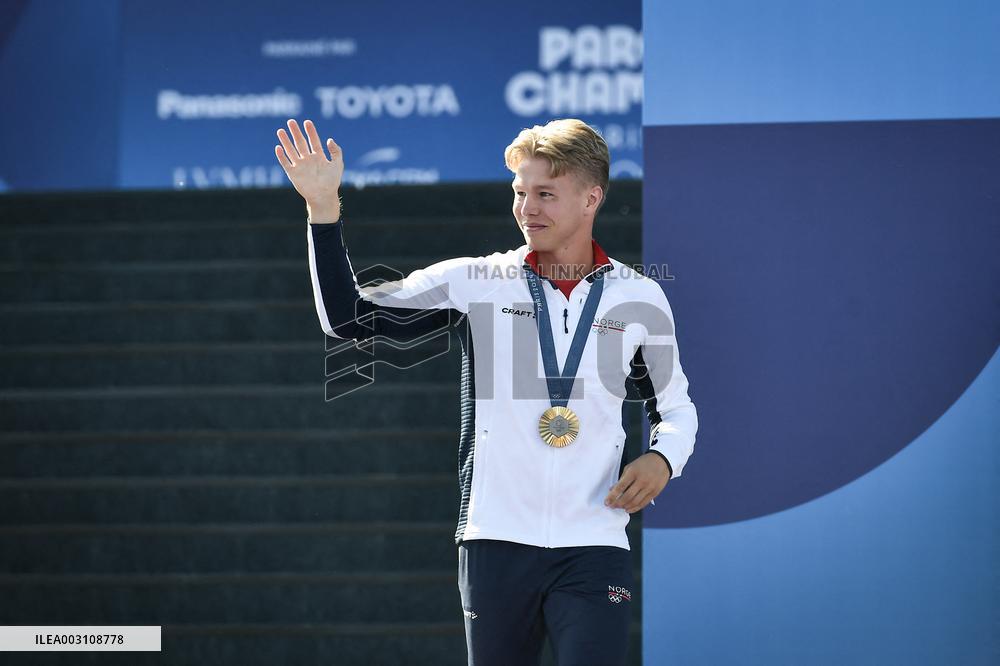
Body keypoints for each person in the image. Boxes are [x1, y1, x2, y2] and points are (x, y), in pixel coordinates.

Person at [274, 118, 698, 666]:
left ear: (592, 197)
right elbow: (348, 318)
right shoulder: (477, 281)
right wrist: (323, 211)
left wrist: (663, 459)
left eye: (545, 194)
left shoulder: (639, 296)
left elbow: (675, 407)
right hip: (495, 540)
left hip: (594, 543)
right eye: (520, 193)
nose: (527, 208)